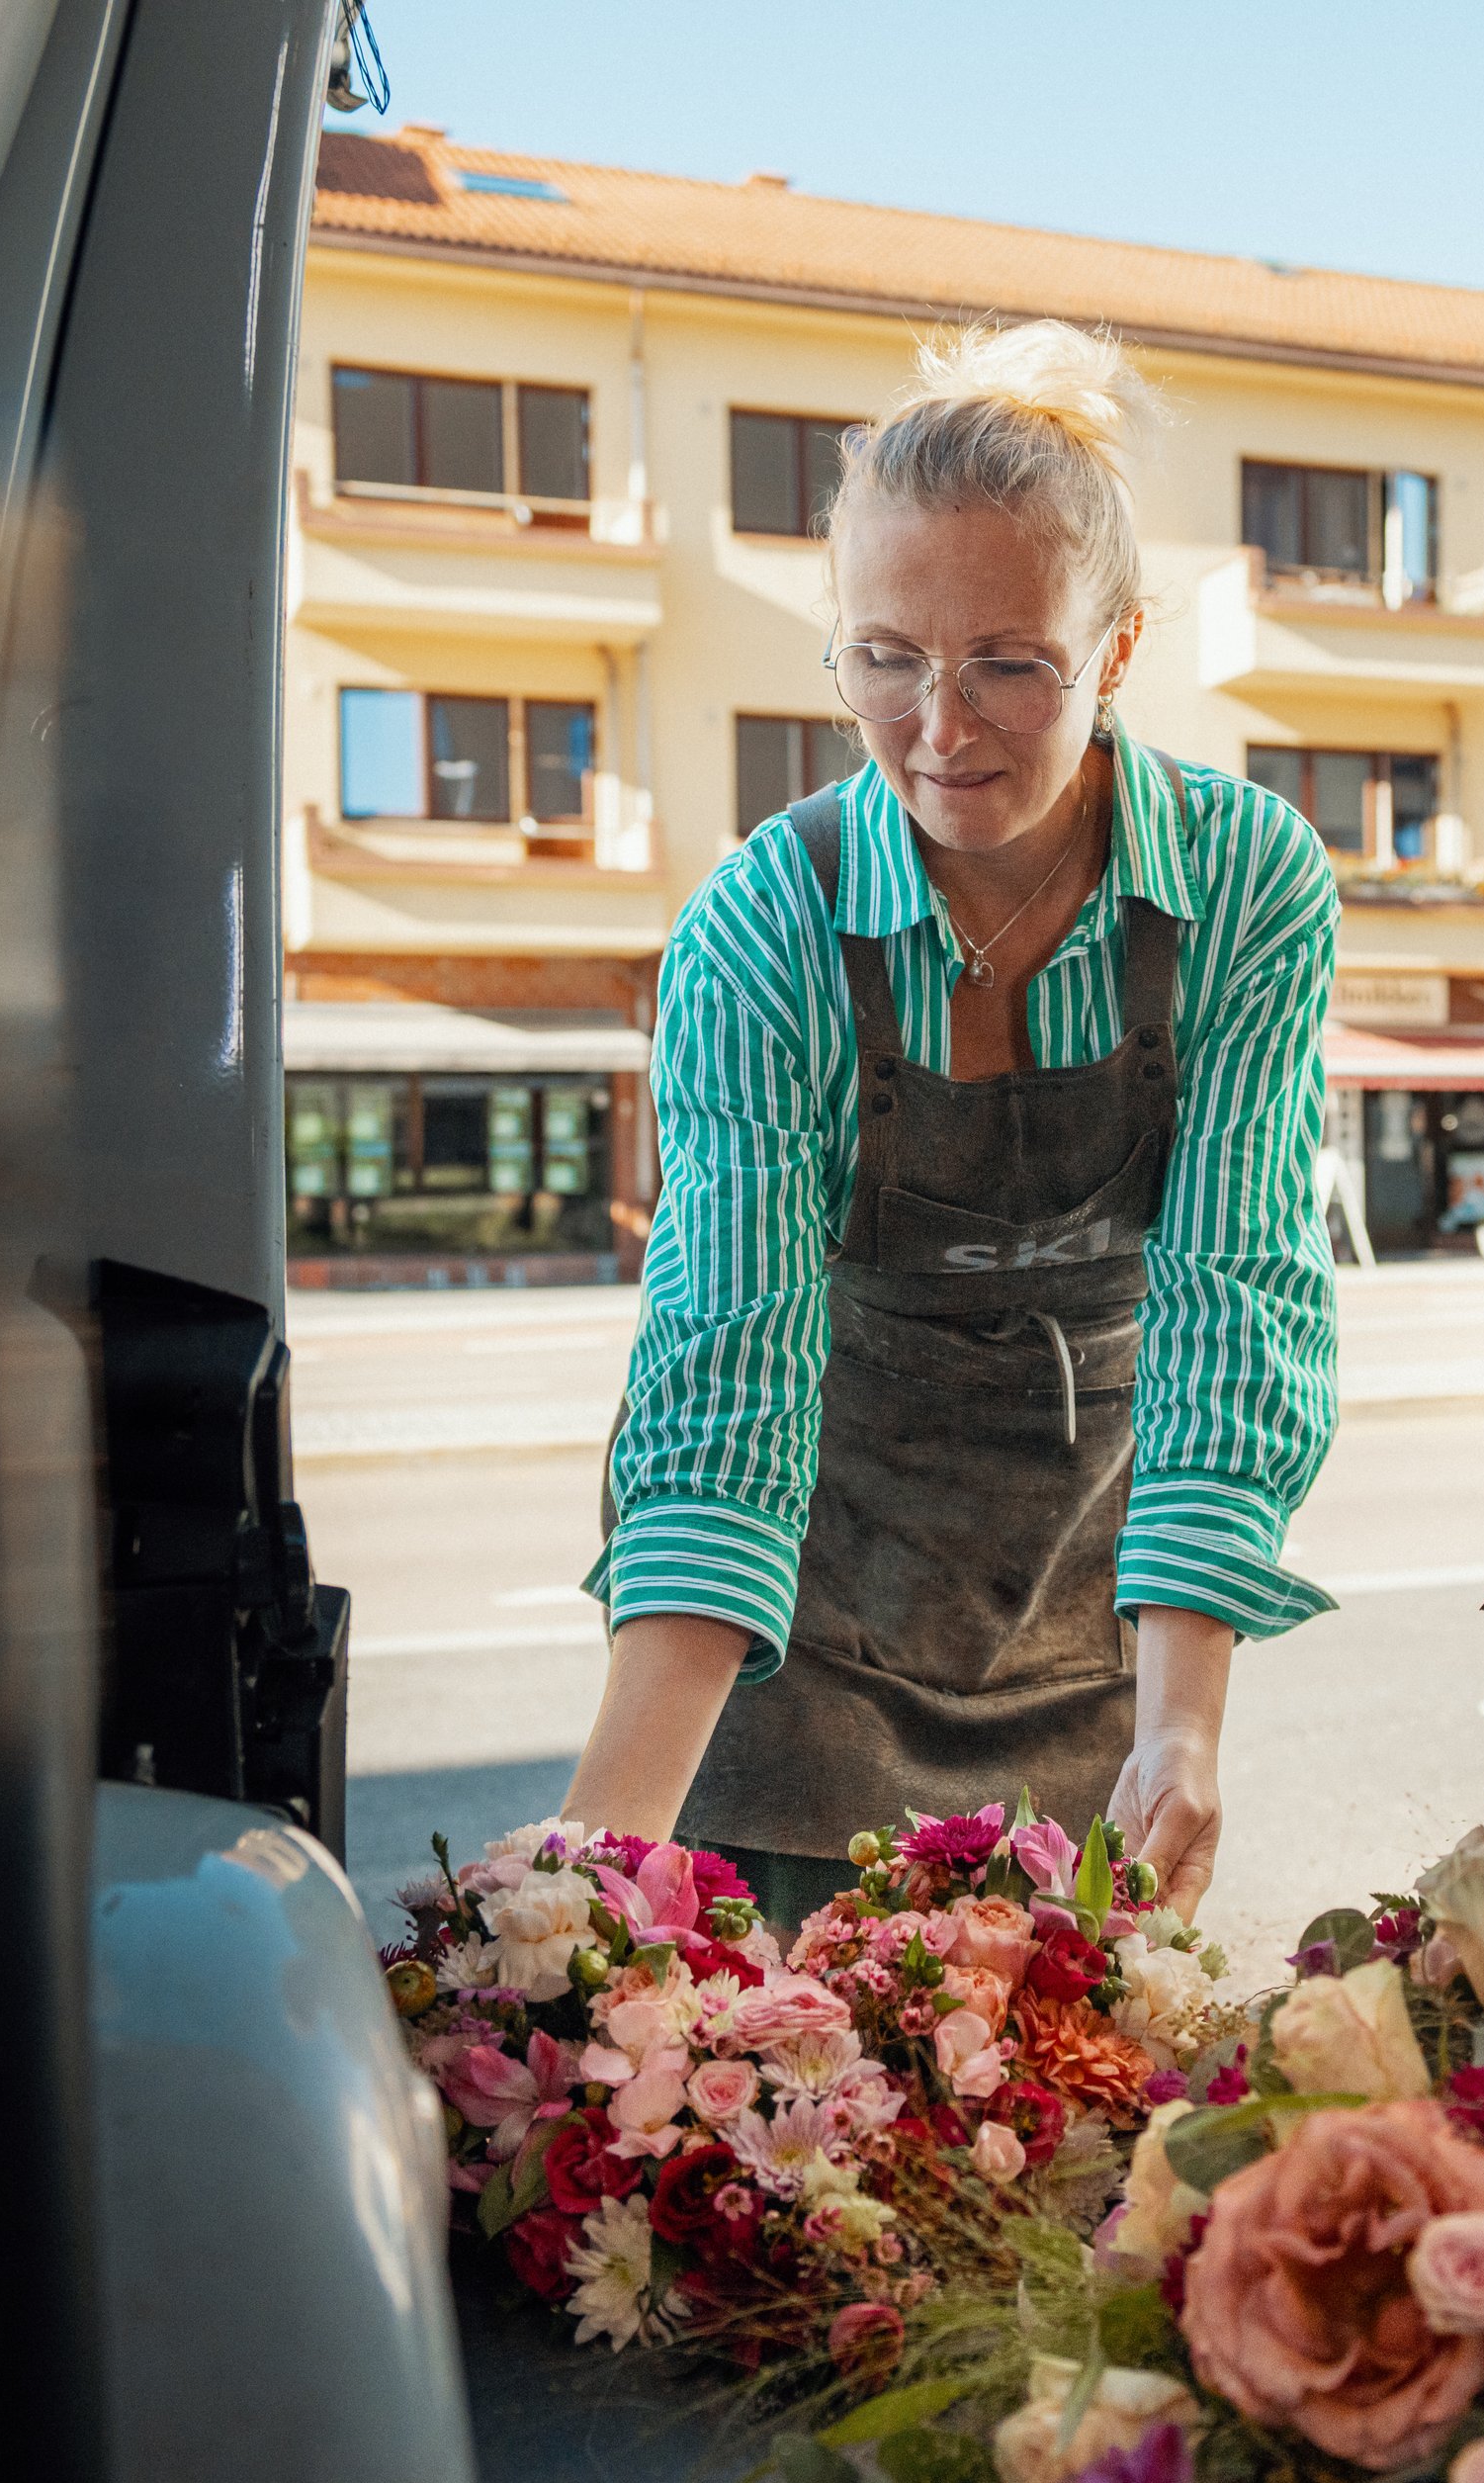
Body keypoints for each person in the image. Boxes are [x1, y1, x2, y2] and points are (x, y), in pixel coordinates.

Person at [562, 321, 1341, 1921]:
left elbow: (1237, 1294)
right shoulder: (762, 929)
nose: (937, 723)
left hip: (1089, 1608)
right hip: (799, 1624)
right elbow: (728, 1360)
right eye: (883, 656)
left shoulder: (1251, 885)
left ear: (1117, 647)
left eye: (1007, 661)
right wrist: (591, 1868)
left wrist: (1183, 1719)